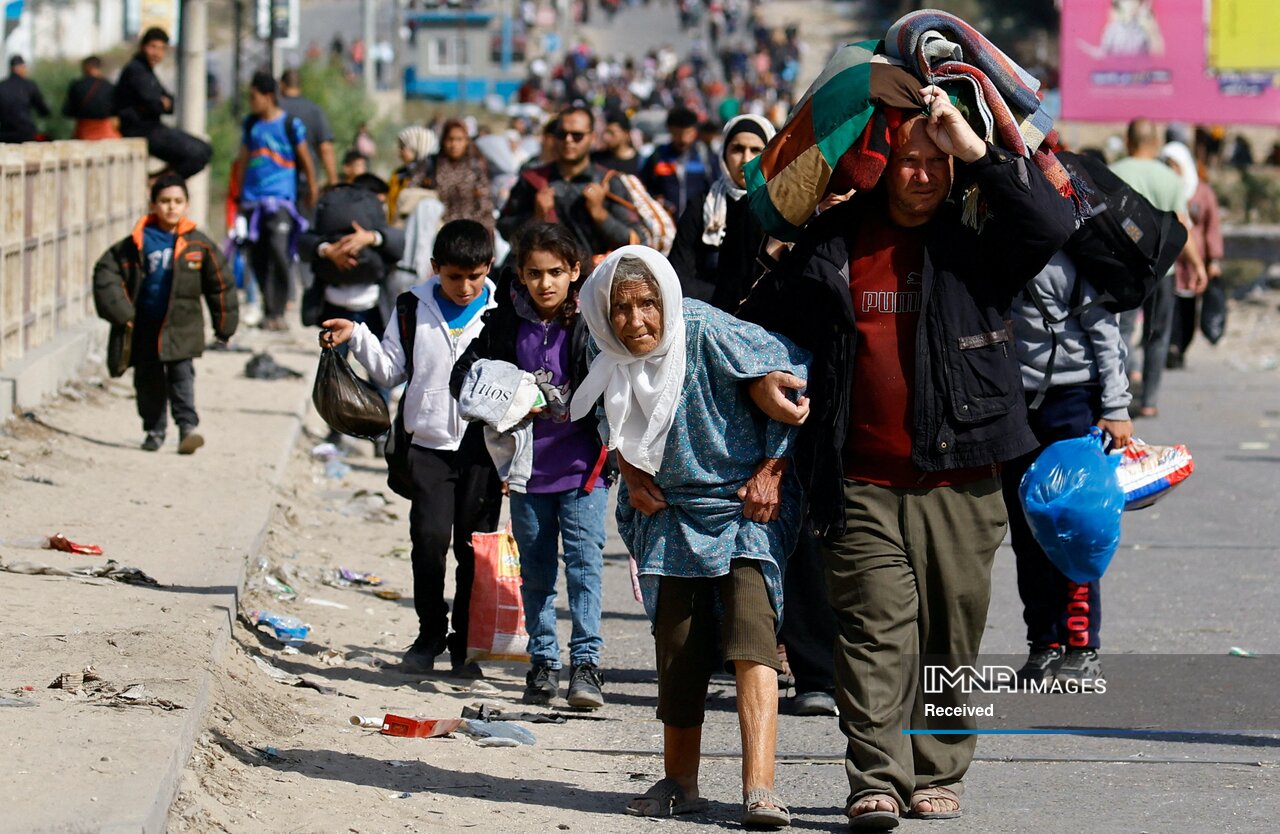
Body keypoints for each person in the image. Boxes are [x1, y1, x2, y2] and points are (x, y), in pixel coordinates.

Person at [739, 87, 1076, 828]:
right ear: (881, 164)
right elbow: (759, 316)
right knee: (873, 633)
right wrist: (762, 379)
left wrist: (974, 149)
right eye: (908, 160)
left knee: (953, 633)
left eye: (935, 161)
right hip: (859, 477)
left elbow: (1052, 222)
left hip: (964, 477)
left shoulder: (979, 240)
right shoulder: (835, 239)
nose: (921, 174)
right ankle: (878, 777)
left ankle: (939, 767)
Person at [571, 246, 809, 829]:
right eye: (621, 308)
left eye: (647, 304)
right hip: (670, 511)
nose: (635, 322)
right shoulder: (606, 349)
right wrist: (629, 471)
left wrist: (770, 469)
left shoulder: (705, 329)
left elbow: (792, 371)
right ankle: (680, 782)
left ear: (667, 301)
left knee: (752, 639)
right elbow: (608, 417)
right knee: (678, 648)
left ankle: (761, 789)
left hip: (740, 507)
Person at [319, 220, 502, 677]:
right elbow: (390, 371)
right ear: (435, 267)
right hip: (427, 445)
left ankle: (465, 645)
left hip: (484, 449)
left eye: (475, 276)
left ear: (489, 267)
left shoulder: (504, 310)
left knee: (473, 550)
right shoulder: (410, 307)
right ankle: (429, 635)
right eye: (454, 276)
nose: (465, 287)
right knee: (429, 540)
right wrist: (356, 335)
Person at [451, 223, 611, 708]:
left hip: (583, 470)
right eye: (535, 273)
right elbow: (464, 375)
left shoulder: (592, 323)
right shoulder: (504, 324)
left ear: (575, 271)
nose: (545, 283)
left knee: (584, 569)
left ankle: (586, 666)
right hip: (526, 472)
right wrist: (505, 399)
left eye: (556, 272)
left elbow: (617, 383)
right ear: (520, 275)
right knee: (537, 574)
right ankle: (543, 664)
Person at [1004, 251, 1134, 688]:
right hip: (1014, 408)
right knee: (1027, 534)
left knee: (1078, 530)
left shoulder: (1073, 259)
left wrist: (1116, 408)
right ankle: (1043, 644)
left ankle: (1082, 648)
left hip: (1074, 405)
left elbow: (1106, 335)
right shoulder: (995, 248)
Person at [91, 174, 238, 454]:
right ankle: (154, 430)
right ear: (153, 205)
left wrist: (224, 326)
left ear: (187, 205)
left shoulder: (199, 245)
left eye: (178, 201)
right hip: (145, 326)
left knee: (182, 377)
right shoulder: (137, 242)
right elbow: (106, 272)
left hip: (183, 326)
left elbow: (221, 285)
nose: (171, 207)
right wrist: (122, 312)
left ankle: (187, 428)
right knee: (148, 380)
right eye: (165, 201)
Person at [1110, 118, 1206, 417]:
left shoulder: (1114, 173)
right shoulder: (1170, 179)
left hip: (1124, 268)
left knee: (1120, 331)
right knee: (1158, 334)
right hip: (1163, 270)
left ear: (1128, 140)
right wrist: (1197, 265)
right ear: (1155, 143)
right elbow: (1181, 227)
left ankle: (1120, 394)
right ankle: (1150, 401)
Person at [497, 106, 642, 264]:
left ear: (593, 137)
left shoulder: (608, 182)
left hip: (594, 276)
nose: (568, 140)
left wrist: (600, 214)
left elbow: (634, 239)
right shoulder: (532, 180)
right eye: (562, 134)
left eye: (577, 135)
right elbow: (505, 229)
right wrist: (537, 218)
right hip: (544, 275)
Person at [236, 71, 317, 332]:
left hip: (281, 200)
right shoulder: (251, 125)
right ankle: (269, 309)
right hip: (253, 201)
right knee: (257, 255)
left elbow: (305, 158)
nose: (251, 102)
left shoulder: (290, 124)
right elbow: (243, 160)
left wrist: (312, 187)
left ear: (268, 96)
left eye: (254, 97)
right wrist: (237, 194)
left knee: (279, 251)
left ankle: (278, 310)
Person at [668, 114, 773, 310]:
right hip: (708, 312)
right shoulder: (702, 205)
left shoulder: (780, 210)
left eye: (756, 150)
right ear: (724, 153)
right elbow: (679, 273)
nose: (746, 159)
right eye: (737, 149)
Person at [115, 28, 212, 178]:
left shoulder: (147, 71)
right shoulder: (136, 70)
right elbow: (155, 104)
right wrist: (160, 103)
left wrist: (162, 103)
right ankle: (158, 182)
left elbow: (169, 103)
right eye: (153, 47)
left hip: (153, 127)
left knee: (205, 150)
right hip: (140, 130)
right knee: (197, 154)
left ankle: (157, 179)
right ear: (142, 47)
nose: (157, 53)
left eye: (161, 49)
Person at [1160, 140, 1224, 369]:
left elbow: (1212, 226)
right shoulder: (1166, 188)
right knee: (1169, 307)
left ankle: (1181, 347)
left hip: (1194, 262)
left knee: (1188, 309)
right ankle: (1170, 347)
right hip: (1170, 262)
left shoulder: (1202, 193)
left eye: (1174, 165)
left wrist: (1213, 260)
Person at [640, 106, 717, 218]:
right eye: (677, 134)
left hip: (698, 222)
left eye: (688, 133)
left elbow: (715, 188)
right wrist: (656, 199)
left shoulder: (705, 157)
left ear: (695, 131)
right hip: (667, 221)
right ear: (669, 130)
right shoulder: (658, 157)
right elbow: (644, 187)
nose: (683, 139)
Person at [279, 68, 338, 193]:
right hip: (307, 183)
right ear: (300, 86)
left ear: (282, 85)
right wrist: (333, 181)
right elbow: (325, 148)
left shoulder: (275, 110)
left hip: (278, 182)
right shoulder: (314, 110)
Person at [434, 119, 496, 230]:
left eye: (459, 140)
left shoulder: (476, 167)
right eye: (450, 139)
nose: (454, 144)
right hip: (440, 227)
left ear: (466, 141)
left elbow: (485, 205)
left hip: (471, 228)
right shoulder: (433, 166)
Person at [387, 124, 437, 224]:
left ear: (416, 147)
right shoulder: (399, 174)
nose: (400, 152)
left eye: (403, 147)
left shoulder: (432, 175)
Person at [62, 56, 119, 140]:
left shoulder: (77, 85)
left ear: (87, 67)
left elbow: (68, 111)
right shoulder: (108, 86)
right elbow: (116, 110)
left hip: (83, 131)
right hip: (106, 131)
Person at [0, 55, 51, 143]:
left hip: (5, 135)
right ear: (21, 67)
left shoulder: (1, 86)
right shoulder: (30, 85)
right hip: (26, 135)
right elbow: (43, 110)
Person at [591, 110, 641, 175]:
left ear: (626, 134)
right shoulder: (597, 159)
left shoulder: (641, 163)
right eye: (605, 132)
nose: (606, 137)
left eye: (612, 133)